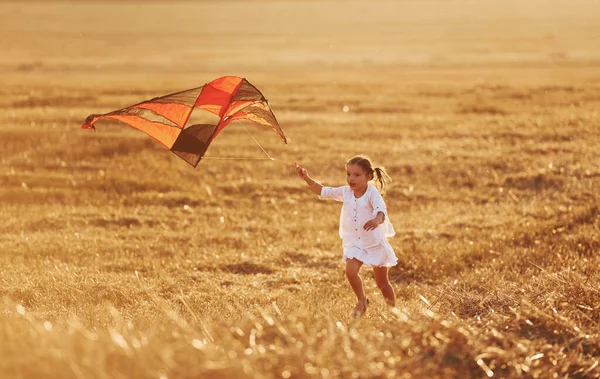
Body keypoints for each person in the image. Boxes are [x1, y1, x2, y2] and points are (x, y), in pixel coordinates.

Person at [296, 155, 397, 318]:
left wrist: (376, 220)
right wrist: (306, 178)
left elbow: (381, 211)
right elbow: (323, 191)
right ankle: (362, 300)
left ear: (368, 176)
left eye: (357, 175)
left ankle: (393, 312)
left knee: (382, 283)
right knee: (350, 271)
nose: (351, 179)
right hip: (355, 243)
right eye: (348, 174)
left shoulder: (372, 193)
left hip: (373, 242)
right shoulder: (346, 192)